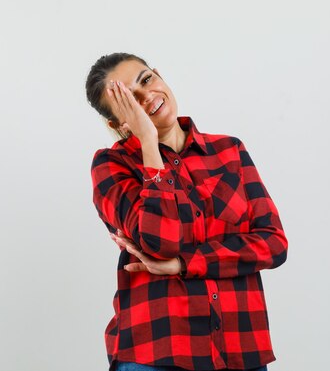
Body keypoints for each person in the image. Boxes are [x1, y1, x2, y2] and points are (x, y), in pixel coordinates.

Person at [86, 53, 288, 371]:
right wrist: (149, 144)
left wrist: (183, 264)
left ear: (159, 74)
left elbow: (273, 244)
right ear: (118, 123)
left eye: (146, 80)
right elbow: (158, 242)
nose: (148, 96)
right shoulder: (112, 165)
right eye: (130, 101)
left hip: (240, 351)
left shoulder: (229, 151)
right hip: (156, 355)